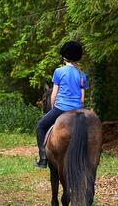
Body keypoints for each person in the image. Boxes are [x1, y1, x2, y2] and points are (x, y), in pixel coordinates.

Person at [34, 40, 88, 168]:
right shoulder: (82, 75)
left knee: (40, 126)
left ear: (64, 56)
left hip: (61, 108)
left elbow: (54, 94)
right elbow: (82, 99)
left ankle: (43, 158)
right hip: (78, 110)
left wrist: (53, 109)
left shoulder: (59, 71)